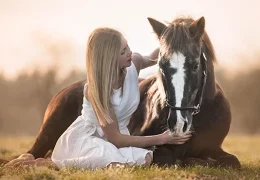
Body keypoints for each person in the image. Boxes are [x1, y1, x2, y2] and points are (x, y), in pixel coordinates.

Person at [5, 27, 192, 169]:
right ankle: (50, 164)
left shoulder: (133, 62)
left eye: (127, 46)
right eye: (123, 51)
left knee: (146, 159)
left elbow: (154, 56)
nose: (129, 52)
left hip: (117, 138)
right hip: (89, 139)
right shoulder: (97, 91)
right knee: (111, 163)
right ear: (109, 59)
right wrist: (161, 138)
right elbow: (116, 140)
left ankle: (51, 161)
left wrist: (176, 36)